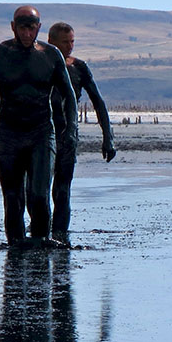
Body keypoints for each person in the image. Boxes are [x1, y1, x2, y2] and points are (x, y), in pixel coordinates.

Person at [0, 6, 78, 245]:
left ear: (38, 28)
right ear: (13, 27)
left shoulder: (50, 56)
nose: (27, 33)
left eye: (32, 28)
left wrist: (70, 129)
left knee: (39, 196)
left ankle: (41, 244)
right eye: (22, 28)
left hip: (41, 132)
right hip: (9, 133)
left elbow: (68, 95)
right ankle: (15, 249)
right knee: (13, 198)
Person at [47, 22, 117, 240]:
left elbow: (98, 102)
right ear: (51, 43)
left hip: (68, 135)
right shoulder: (40, 64)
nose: (70, 47)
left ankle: (60, 237)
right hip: (42, 132)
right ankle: (39, 231)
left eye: (72, 42)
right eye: (65, 42)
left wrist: (108, 137)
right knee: (36, 189)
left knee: (62, 189)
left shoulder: (78, 67)